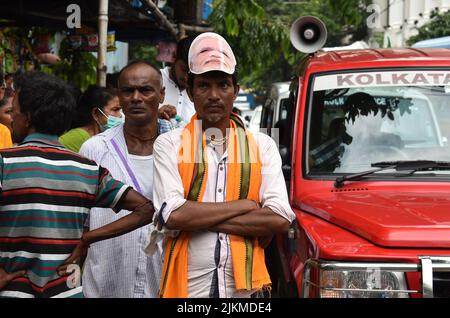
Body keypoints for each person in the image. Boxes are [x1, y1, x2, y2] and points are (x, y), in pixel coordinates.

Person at [149, 32, 295, 298]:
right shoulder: (169, 144)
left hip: (246, 290)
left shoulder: (262, 146)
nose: (214, 95)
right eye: (204, 86)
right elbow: (172, 216)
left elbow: (279, 218)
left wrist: (196, 218)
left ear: (235, 91)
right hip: (188, 289)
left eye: (223, 85)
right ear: (191, 92)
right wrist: (245, 207)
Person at [0, 71, 156, 297]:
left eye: (14, 109)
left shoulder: (5, 163)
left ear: (29, 116)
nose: (12, 116)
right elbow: (146, 208)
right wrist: (87, 239)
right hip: (67, 292)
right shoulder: (87, 169)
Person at [79, 60, 171, 298]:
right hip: (104, 284)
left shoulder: (180, 150)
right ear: (119, 96)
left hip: (164, 282)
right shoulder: (94, 150)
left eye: (145, 90)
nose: (136, 97)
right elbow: (81, 223)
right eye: (128, 91)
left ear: (161, 95)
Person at [59, 85, 123, 153]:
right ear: (95, 113)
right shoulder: (78, 137)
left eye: (121, 110)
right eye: (115, 110)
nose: (120, 115)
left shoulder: (110, 138)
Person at [158, 36, 195, 125]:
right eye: (184, 69)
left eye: (192, 73)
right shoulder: (155, 79)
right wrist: (155, 115)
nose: (186, 77)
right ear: (174, 57)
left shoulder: (199, 91)